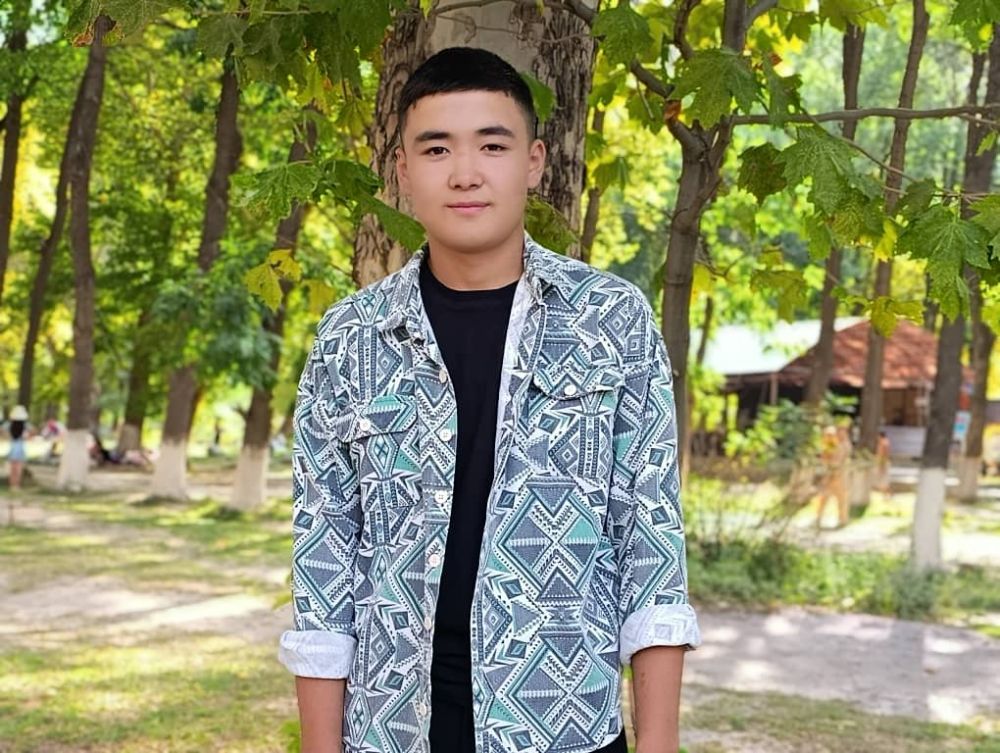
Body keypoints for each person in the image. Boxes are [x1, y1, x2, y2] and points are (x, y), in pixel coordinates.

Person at [278, 47, 700, 753]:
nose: (466, 172)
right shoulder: (350, 337)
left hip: (564, 728)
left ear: (534, 162)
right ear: (403, 170)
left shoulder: (611, 320)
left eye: (493, 145)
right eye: (436, 148)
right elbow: (324, 561)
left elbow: (650, 548)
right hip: (394, 730)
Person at [816, 422, 851, 529]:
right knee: (823, 497)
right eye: (839, 432)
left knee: (842, 499)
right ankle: (818, 517)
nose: (841, 434)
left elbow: (843, 459)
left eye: (843, 432)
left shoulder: (846, 445)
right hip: (830, 474)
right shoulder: (832, 443)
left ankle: (843, 519)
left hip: (841, 476)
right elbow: (825, 456)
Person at [6, 405, 29, 490]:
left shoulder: (9, 425)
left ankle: (12, 484)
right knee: (19, 467)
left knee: (12, 467)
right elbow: (31, 433)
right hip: (20, 447)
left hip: (12, 447)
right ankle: (17, 485)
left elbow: (3, 432)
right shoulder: (25, 426)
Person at [875, 430, 891, 494]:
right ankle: (885, 493)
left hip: (883, 462)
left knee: (884, 479)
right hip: (882, 461)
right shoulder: (884, 442)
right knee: (882, 479)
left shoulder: (884, 443)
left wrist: (882, 464)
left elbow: (884, 454)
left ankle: (887, 493)